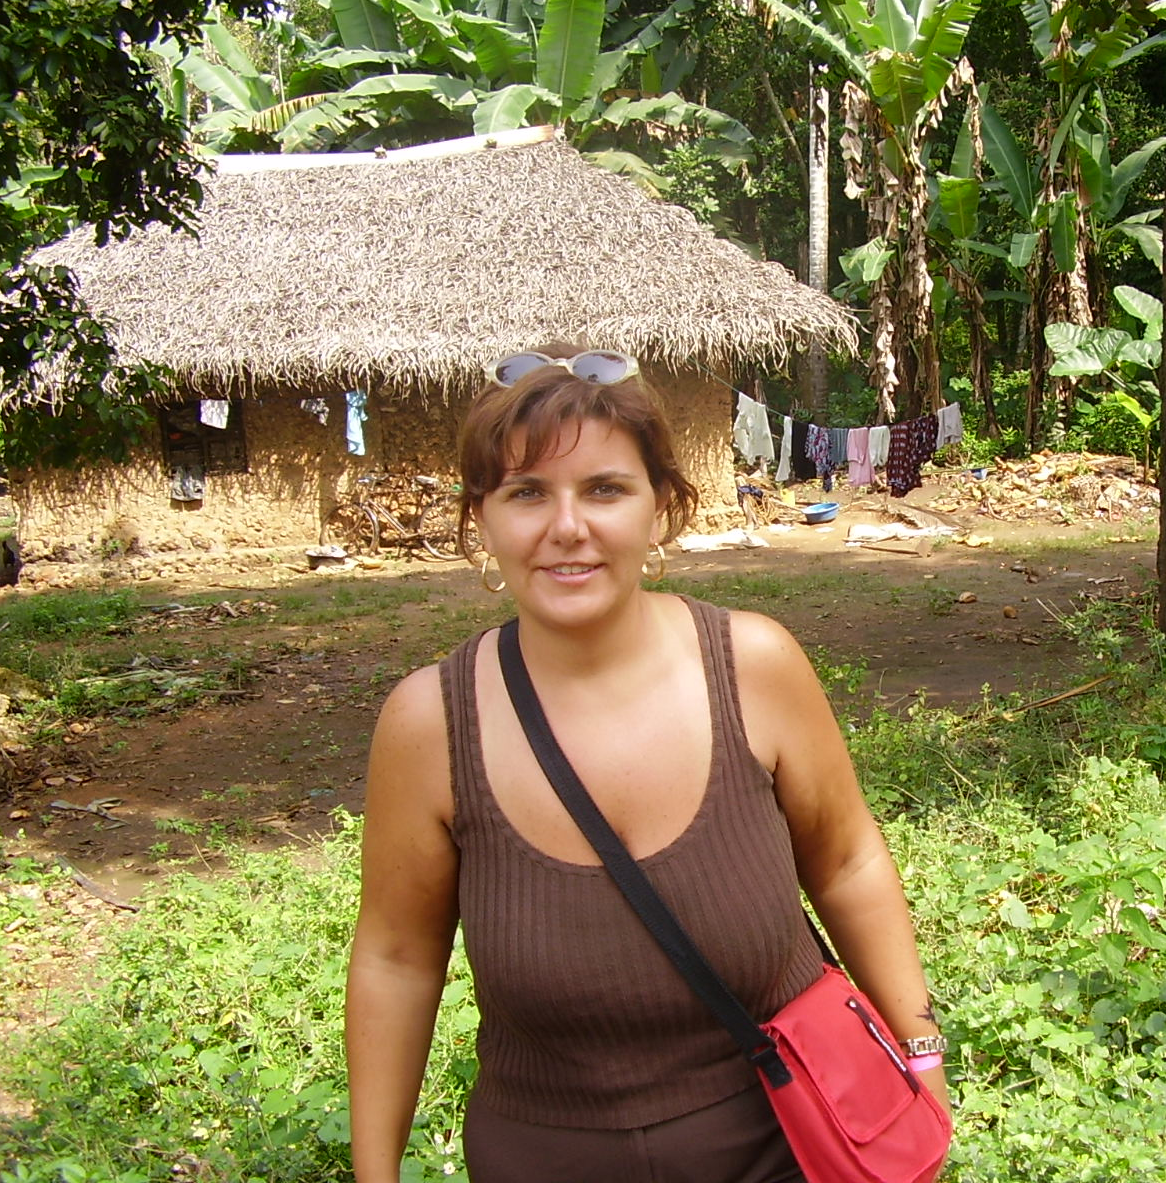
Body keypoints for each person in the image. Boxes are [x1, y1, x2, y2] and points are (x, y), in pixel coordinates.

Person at [344, 347, 950, 1182]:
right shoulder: (430, 723)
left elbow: (848, 861)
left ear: (660, 507)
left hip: (787, 1139)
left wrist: (920, 1052)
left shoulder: (754, 666)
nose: (567, 526)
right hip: (542, 1158)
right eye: (526, 492)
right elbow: (396, 958)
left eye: (604, 489)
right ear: (480, 519)